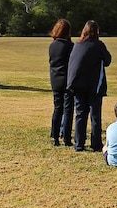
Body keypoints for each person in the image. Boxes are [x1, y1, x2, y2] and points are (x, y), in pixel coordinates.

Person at [67, 20, 112, 152]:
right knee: (95, 115)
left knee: (80, 115)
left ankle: (79, 144)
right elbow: (108, 60)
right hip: (94, 86)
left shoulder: (77, 45)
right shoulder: (98, 45)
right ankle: (96, 143)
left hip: (78, 85)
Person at [48, 19, 74, 147]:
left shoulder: (52, 45)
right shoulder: (70, 46)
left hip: (55, 79)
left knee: (57, 108)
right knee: (68, 110)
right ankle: (67, 138)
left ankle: (54, 136)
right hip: (67, 80)